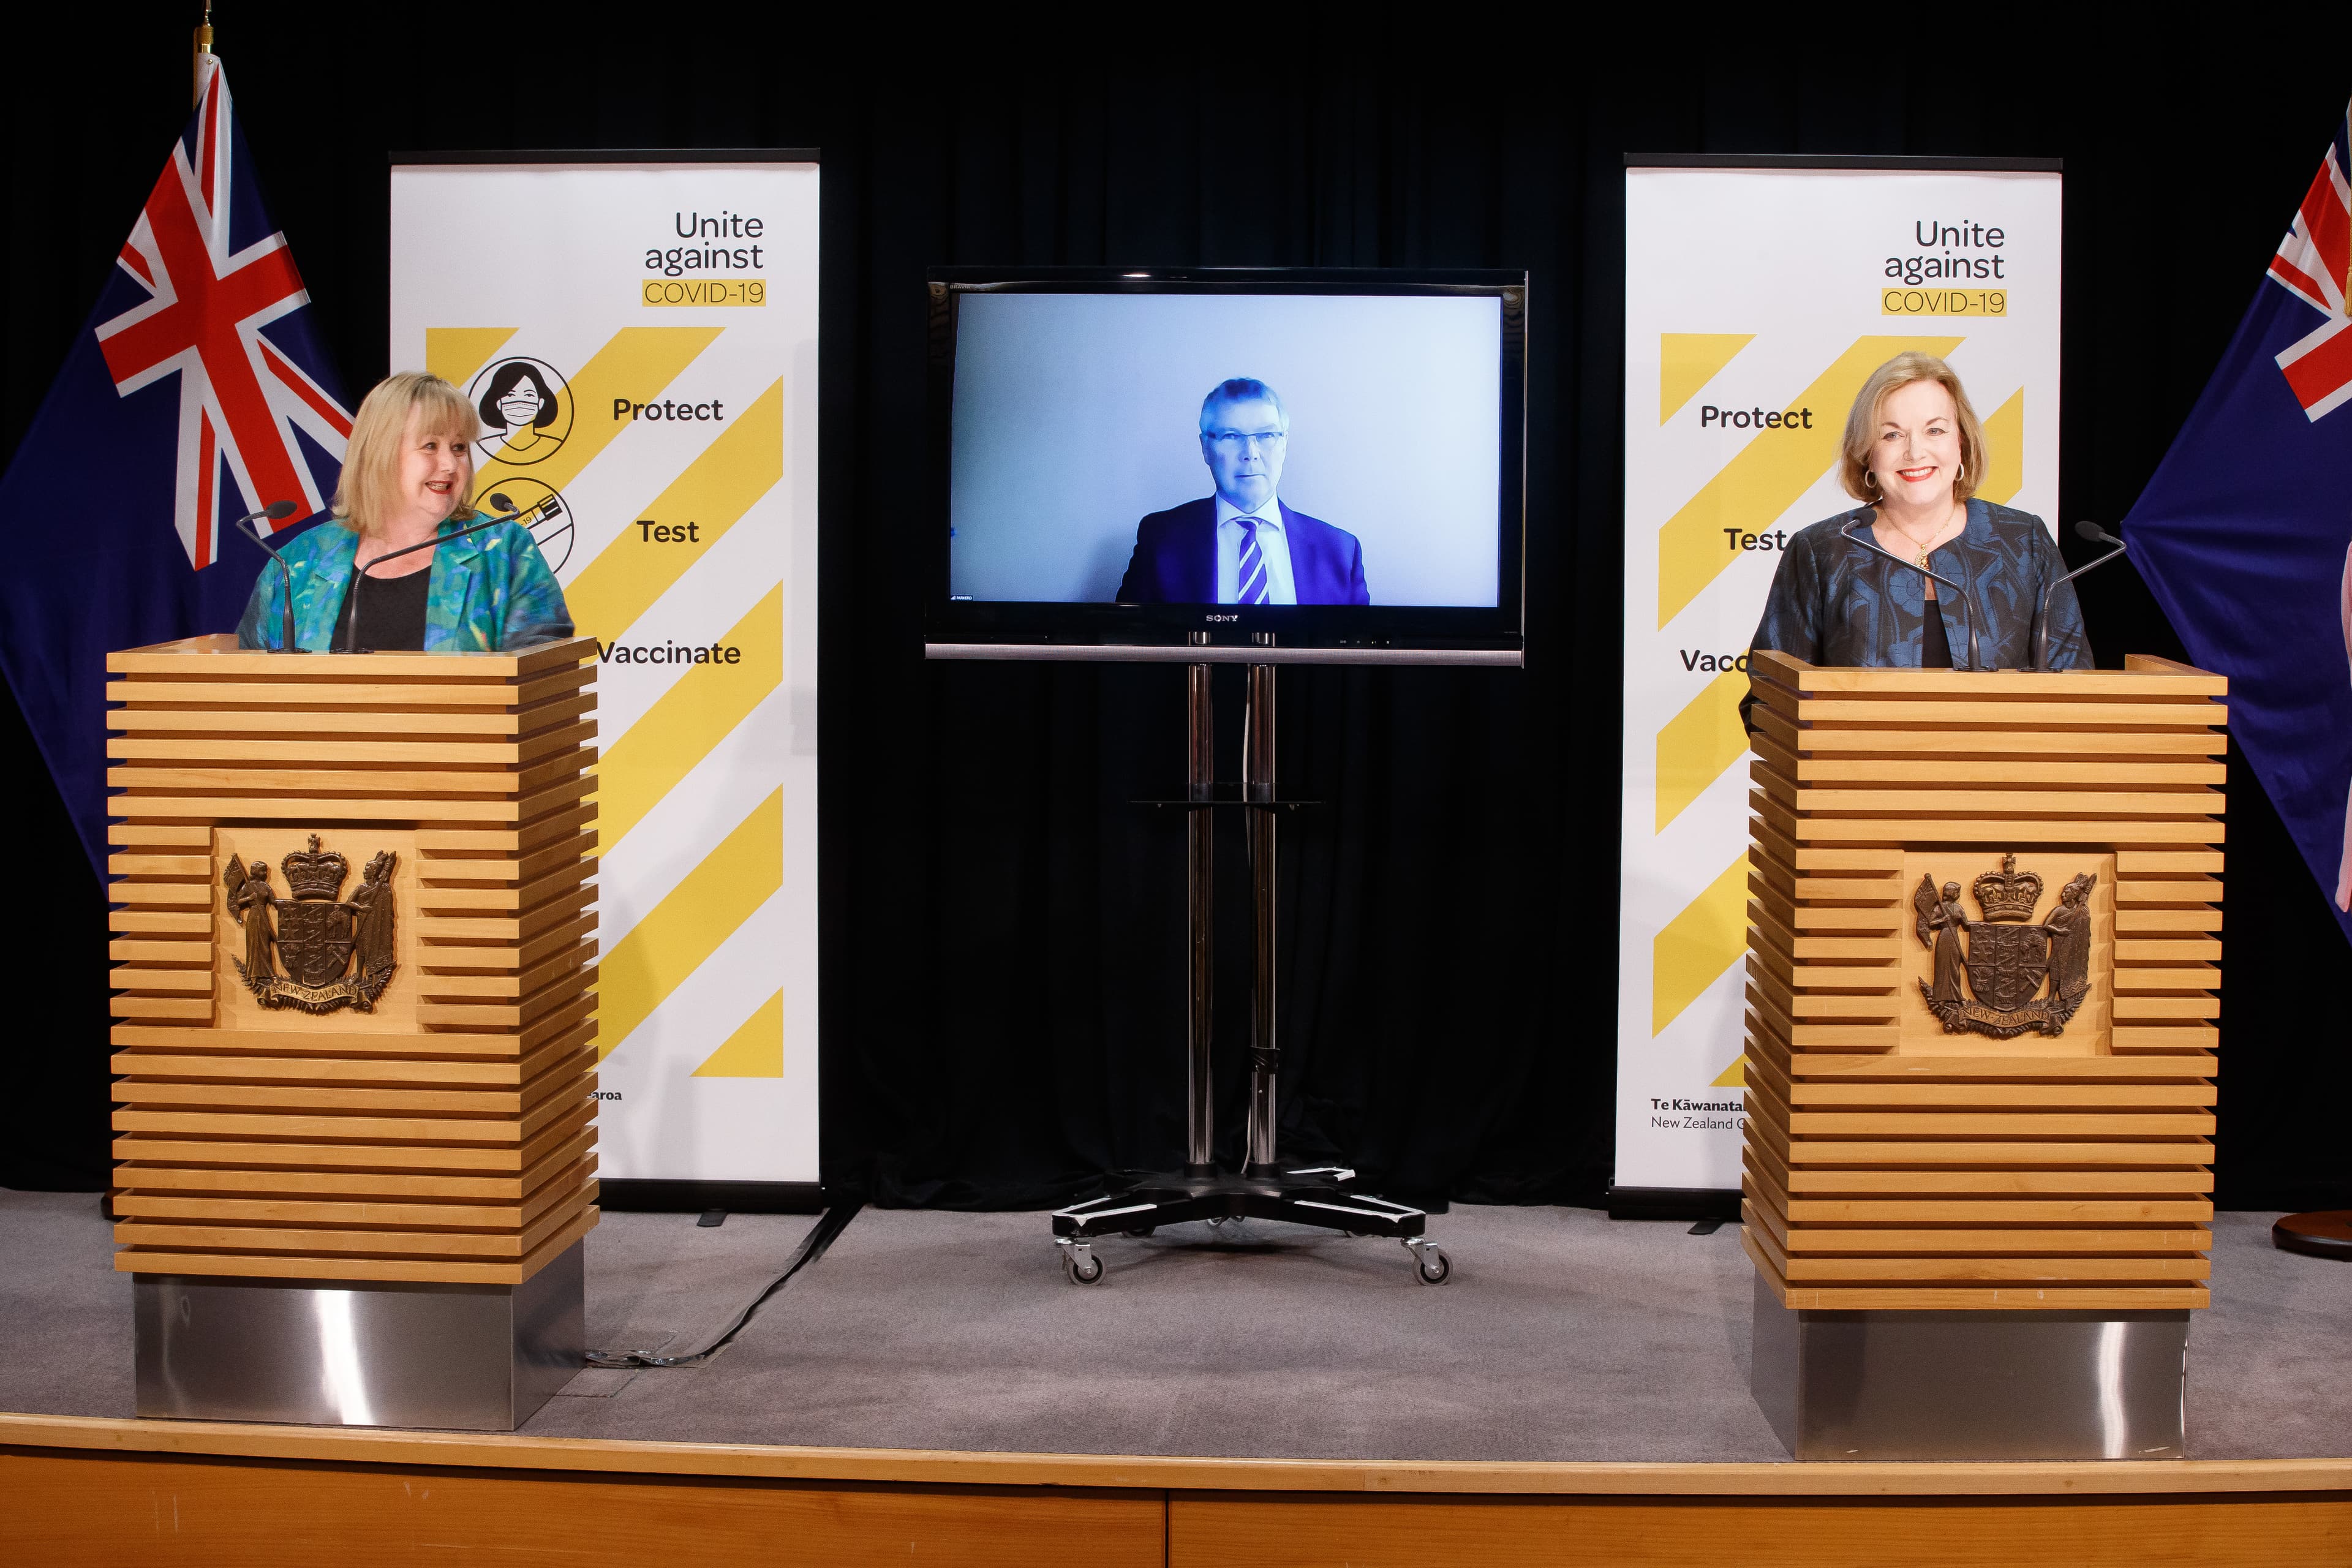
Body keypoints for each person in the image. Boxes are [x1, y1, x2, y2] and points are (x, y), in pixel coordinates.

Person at [1747, 352, 2088, 684]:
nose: (1915, 452)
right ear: (1867, 453)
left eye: (1935, 431)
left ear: (1962, 444)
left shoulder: (2022, 540)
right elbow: (1769, 698)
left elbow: (2077, 684)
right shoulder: (1823, 549)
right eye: (1892, 434)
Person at [235, 372, 573, 653]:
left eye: (459, 448)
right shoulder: (298, 562)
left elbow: (542, 682)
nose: (450, 465)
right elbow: (246, 682)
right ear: (379, 453)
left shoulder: (502, 550)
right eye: (430, 446)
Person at [1115, 378, 1371, 605]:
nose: (1251, 453)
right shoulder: (1160, 539)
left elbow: (1357, 657)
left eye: (1266, 435)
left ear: (1284, 444)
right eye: (1231, 436)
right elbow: (1127, 646)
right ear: (1206, 448)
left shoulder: (1340, 550)